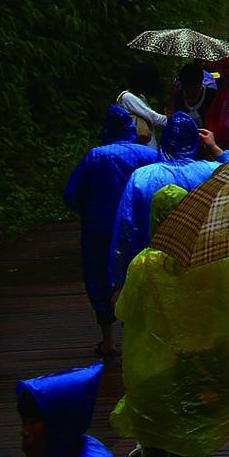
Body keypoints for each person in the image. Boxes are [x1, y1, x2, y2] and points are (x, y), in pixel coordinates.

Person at [113, 183, 229, 457]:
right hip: (200, 364)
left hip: (154, 371)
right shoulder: (212, 258)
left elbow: (124, 310)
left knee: (153, 445)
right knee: (195, 447)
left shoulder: (143, 265)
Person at [63, 105, 155, 355]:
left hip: (99, 229)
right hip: (136, 226)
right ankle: (134, 335)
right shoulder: (147, 155)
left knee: (100, 278)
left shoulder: (95, 156)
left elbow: (71, 195)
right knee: (135, 275)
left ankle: (108, 340)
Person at [109, 112, 229, 289]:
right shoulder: (213, 172)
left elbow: (125, 228)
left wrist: (118, 280)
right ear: (195, 141)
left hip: (154, 268)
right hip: (202, 266)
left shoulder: (142, 176)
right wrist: (215, 149)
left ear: (164, 140)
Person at [117, 62, 169, 147]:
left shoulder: (141, 97)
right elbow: (152, 117)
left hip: (147, 149)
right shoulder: (128, 97)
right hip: (140, 150)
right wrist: (172, 120)